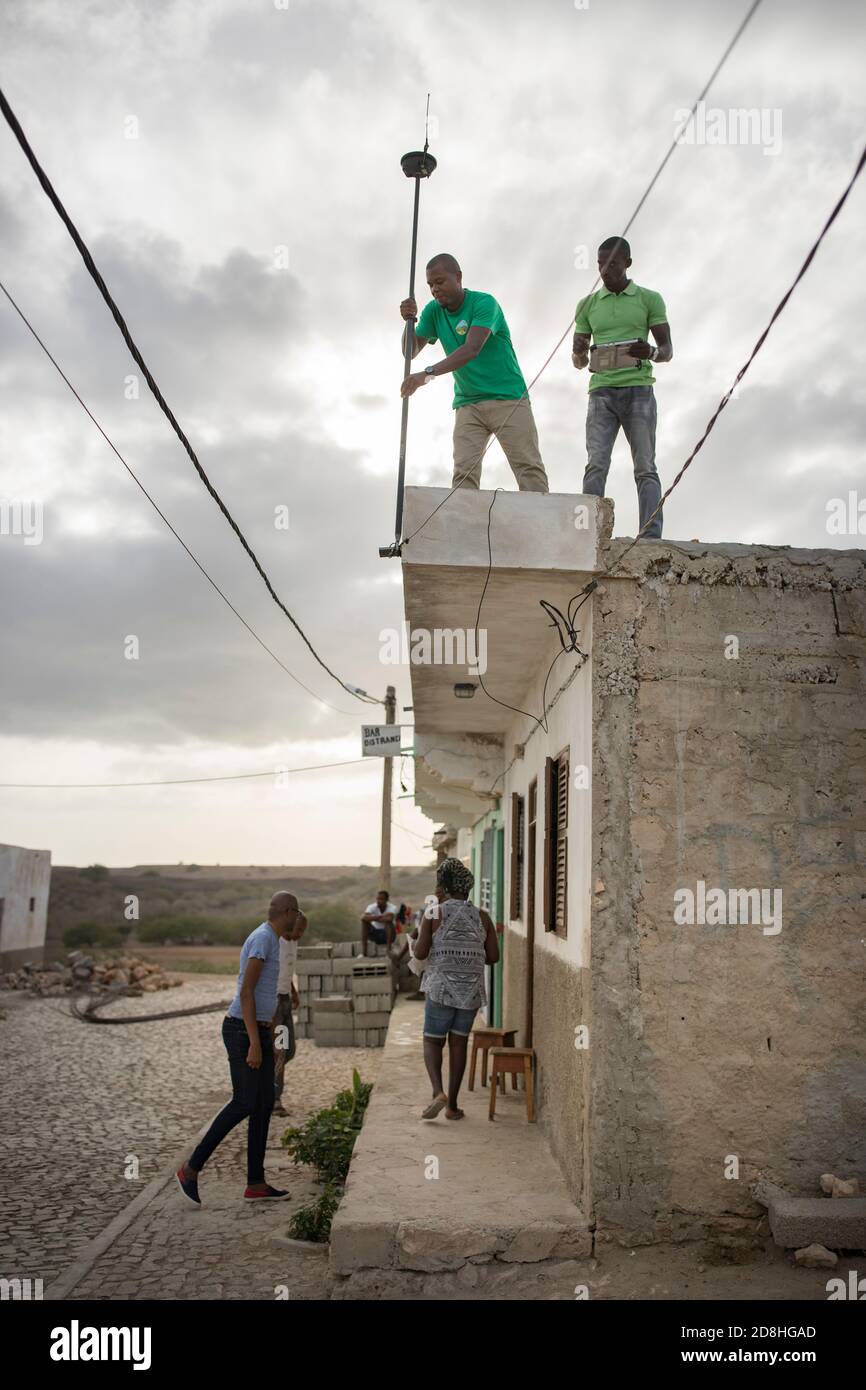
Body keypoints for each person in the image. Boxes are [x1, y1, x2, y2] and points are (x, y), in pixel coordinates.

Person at [175, 892, 306, 1207]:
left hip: (257, 1029)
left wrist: (270, 1035)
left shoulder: (274, 940)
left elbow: (265, 996)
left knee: (262, 1106)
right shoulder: (263, 939)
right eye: (297, 912)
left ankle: (256, 1184)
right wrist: (253, 1044)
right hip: (240, 1030)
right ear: (287, 912)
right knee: (244, 1102)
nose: (298, 918)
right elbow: (246, 993)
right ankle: (191, 1169)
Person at [399, 253, 549, 494]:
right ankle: (463, 530)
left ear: (458, 277)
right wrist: (409, 320)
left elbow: (471, 349)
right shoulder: (433, 311)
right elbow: (410, 351)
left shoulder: (484, 303)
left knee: (527, 467)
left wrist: (425, 375)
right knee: (463, 474)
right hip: (468, 403)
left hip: (508, 398)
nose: (435, 289)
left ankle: (540, 528)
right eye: (430, 285)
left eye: (440, 282)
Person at [572, 238, 673, 539]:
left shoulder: (648, 299)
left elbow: (667, 350)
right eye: (600, 264)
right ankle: (588, 535)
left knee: (645, 466)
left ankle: (651, 536)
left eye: (612, 264)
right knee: (596, 464)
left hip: (639, 390)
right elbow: (578, 362)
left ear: (628, 263)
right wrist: (578, 351)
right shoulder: (587, 305)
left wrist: (651, 352)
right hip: (601, 392)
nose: (605, 270)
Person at [413, 858, 499, 1121]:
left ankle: (438, 1092)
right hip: (469, 993)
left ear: (444, 887)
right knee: (458, 1043)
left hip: (440, 988)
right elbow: (493, 957)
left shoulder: (433, 913)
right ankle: (452, 1107)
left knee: (432, 1040)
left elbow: (420, 952)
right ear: (468, 887)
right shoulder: (483, 917)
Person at [272, 904, 308, 1117]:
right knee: (280, 1051)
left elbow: (285, 972)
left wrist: (293, 992)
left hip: (285, 1001)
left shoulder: (292, 943)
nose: (301, 935)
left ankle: (268, 1082)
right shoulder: (276, 944)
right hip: (275, 1004)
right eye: (299, 930)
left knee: (289, 1050)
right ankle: (275, 1100)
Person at [361, 889, 397, 954]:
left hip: (387, 935)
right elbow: (364, 918)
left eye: (381, 899)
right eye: (377, 899)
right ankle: (364, 952)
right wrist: (380, 916)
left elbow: (389, 919)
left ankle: (388, 950)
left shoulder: (392, 907)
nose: (378, 901)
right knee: (364, 923)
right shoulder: (371, 907)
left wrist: (372, 918)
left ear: (386, 900)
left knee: (388, 923)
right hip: (375, 934)